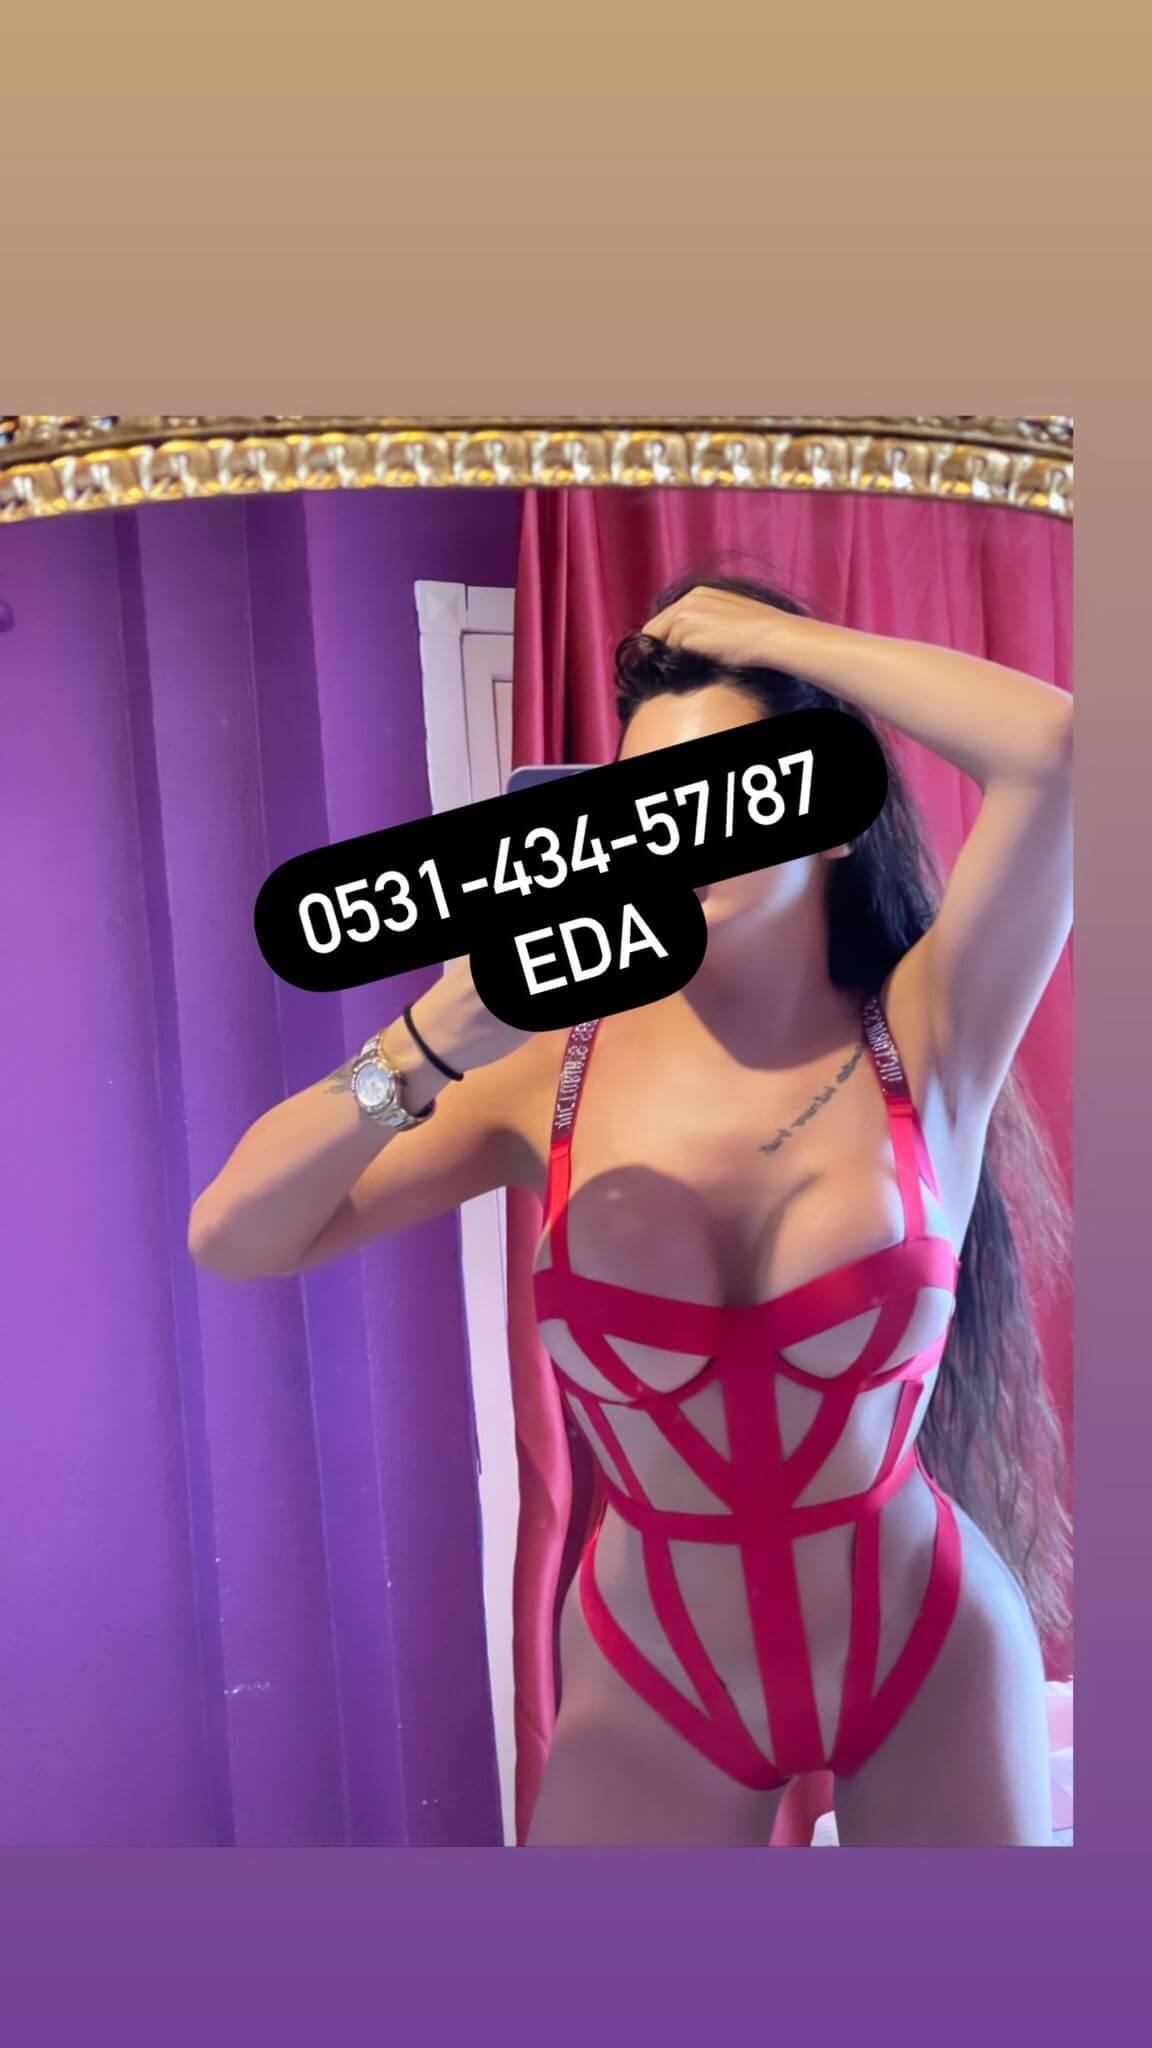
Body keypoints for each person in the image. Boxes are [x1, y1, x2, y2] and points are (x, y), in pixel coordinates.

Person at [189, 569, 1073, 1848]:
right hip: (658, 1680)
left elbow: (1054, 748)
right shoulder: (544, 1068)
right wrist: (425, 1041)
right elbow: (235, 1233)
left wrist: (771, 636)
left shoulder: (930, 1032)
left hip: (923, 1644)